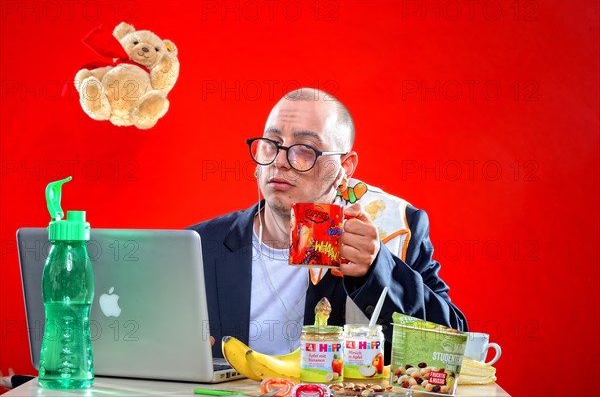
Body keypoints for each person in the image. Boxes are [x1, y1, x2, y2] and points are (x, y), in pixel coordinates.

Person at [187, 88, 467, 362]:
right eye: (271, 143)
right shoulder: (199, 244)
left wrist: (376, 268)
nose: (280, 161)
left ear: (345, 167)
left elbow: (451, 346)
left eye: (305, 149)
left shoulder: (395, 227)